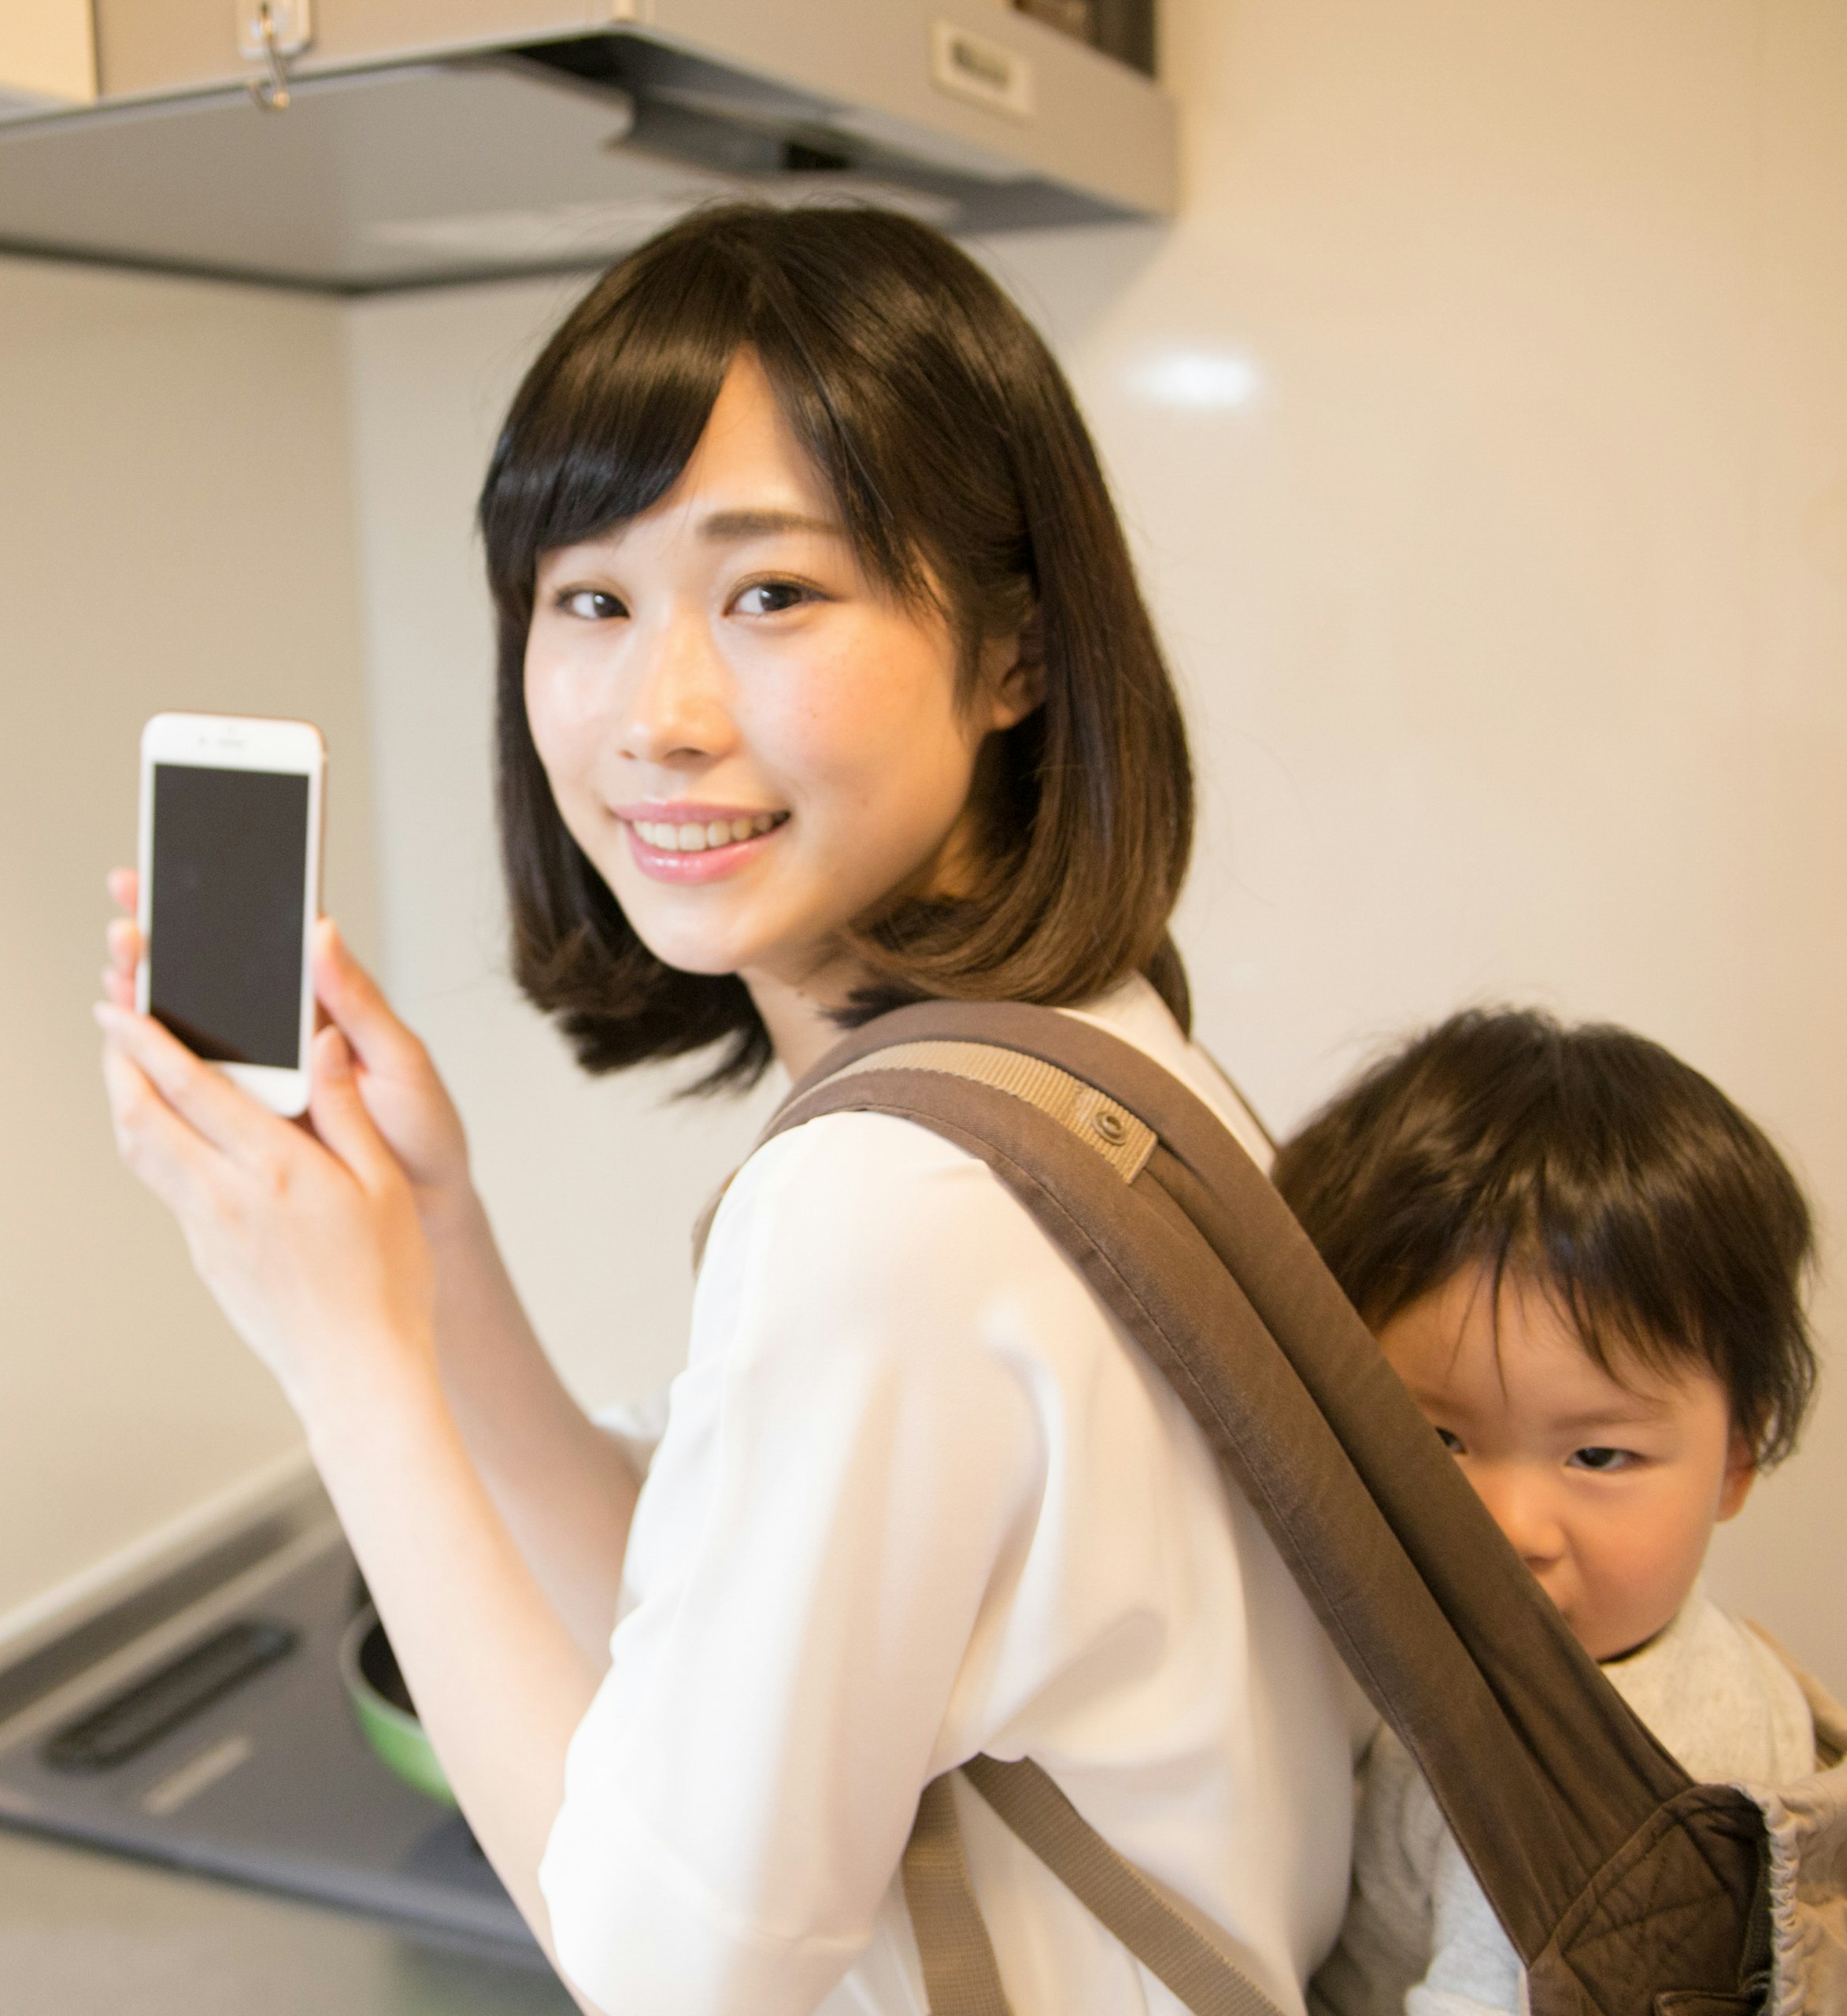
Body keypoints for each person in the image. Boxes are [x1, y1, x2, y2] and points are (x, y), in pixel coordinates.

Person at [94, 205, 1364, 2016]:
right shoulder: (1091, 1046)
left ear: (1010, 648)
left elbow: (666, 1963)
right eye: (589, 600)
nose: (658, 714)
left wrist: (337, 1354)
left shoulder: (887, 1209)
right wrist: (436, 1250)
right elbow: (731, 1657)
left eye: (769, 592)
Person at [1274, 1009, 1847, 2014]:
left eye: (1598, 1454)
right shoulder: (1531, 1669)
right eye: (1437, 1443)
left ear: (1738, 1456)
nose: (1510, 1527)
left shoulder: (1584, 1788)